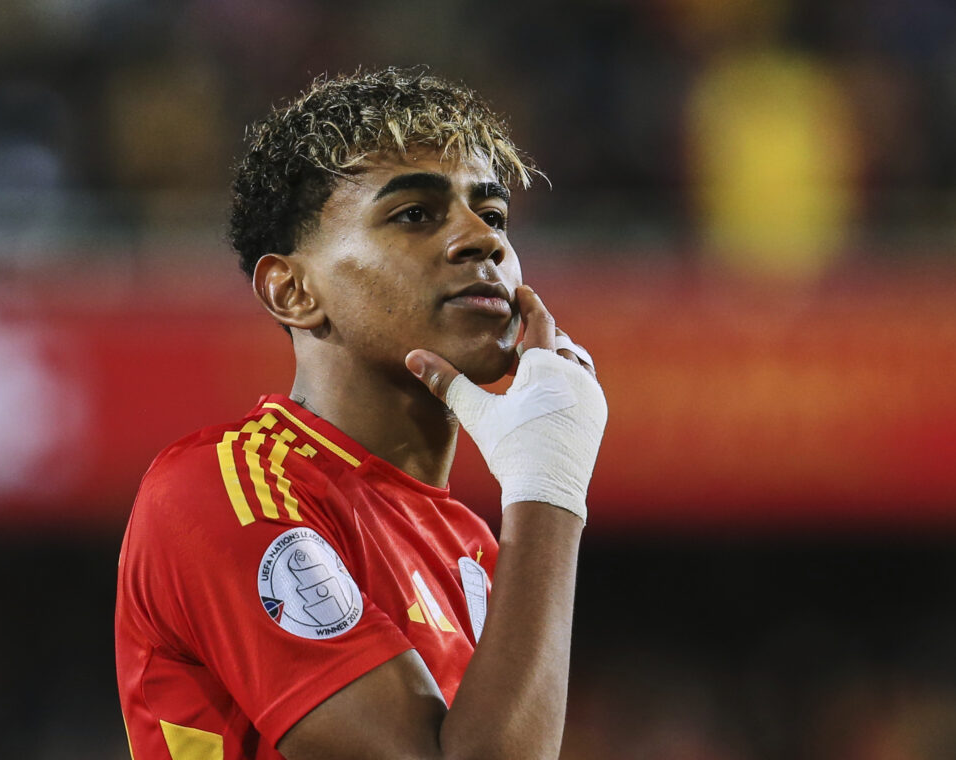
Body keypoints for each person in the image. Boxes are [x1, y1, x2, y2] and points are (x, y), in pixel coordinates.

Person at [115, 66, 608, 760]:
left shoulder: (475, 551)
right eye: (415, 215)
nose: (483, 241)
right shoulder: (224, 490)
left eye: (493, 215)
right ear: (292, 292)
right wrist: (549, 489)